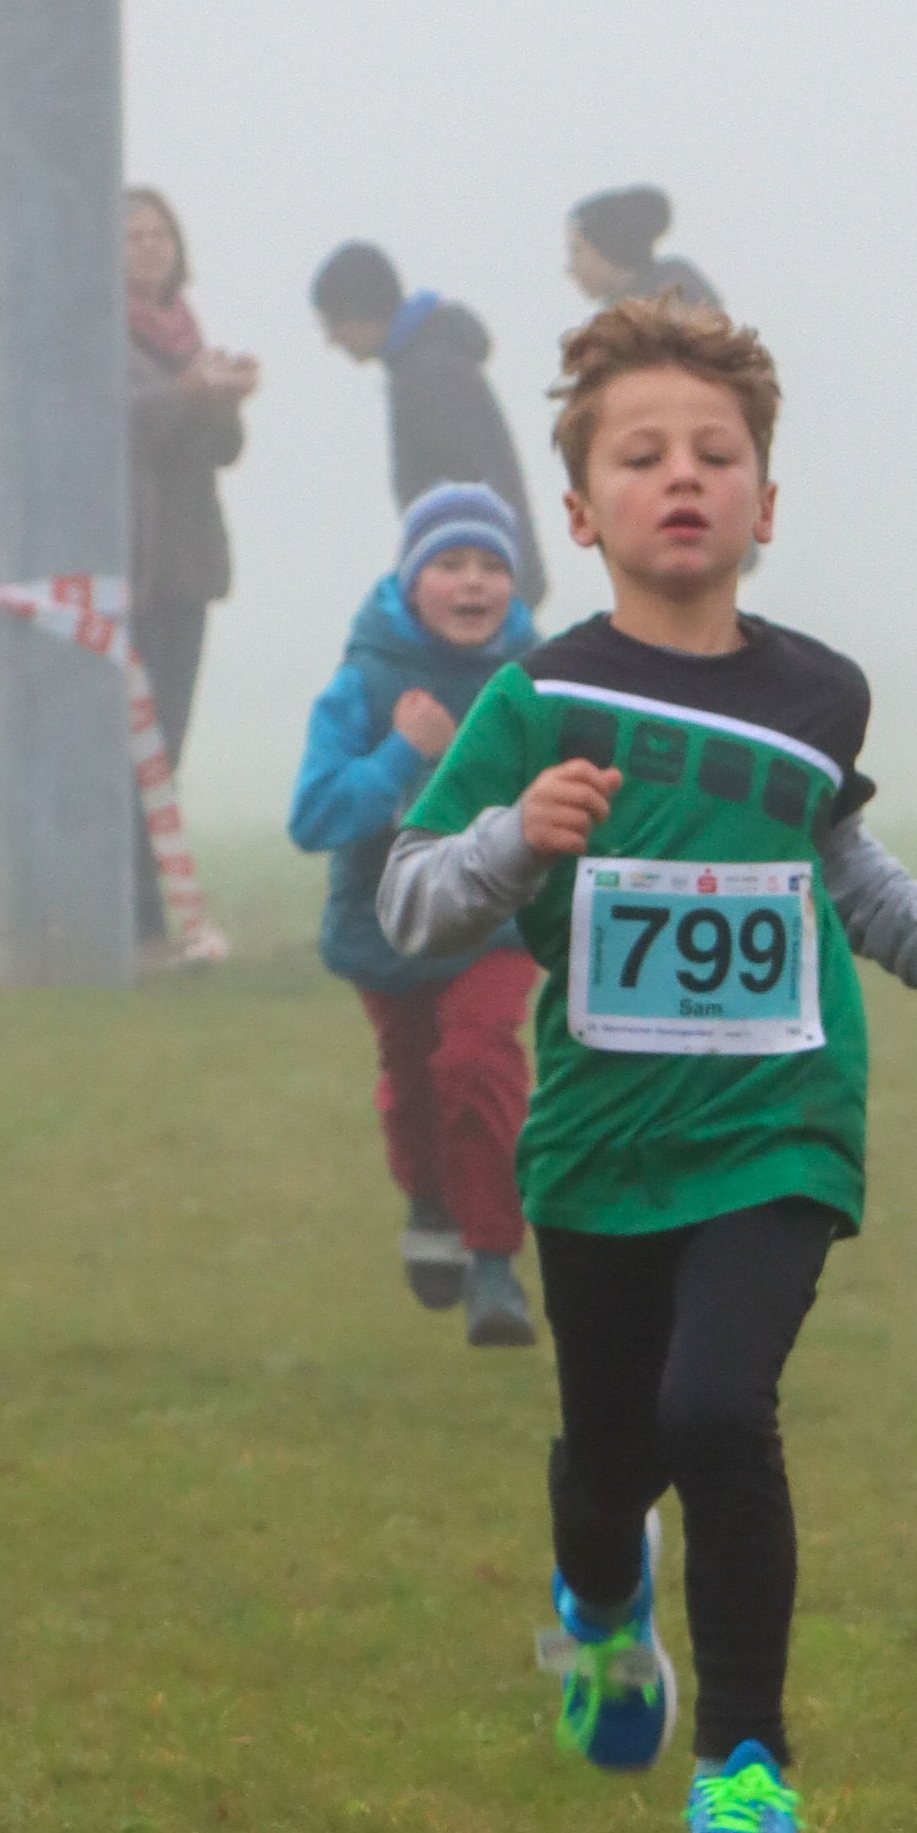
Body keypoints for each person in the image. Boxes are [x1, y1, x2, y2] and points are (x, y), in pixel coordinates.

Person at [377, 297, 917, 1833]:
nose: (683, 477)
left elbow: (842, 861)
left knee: (719, 1415)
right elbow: (411, 902)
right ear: (581, 511)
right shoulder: (537, 705)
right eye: (643, 455)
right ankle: (603, 1599)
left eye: (716, 455)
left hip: (777, 1126)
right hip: (603, 1144)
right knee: (611, 1457)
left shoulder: (816, 695)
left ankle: (745, 1777)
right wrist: (515, 837)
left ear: (765, 503)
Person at [288, 481, 545, 1348]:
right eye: (450, 563)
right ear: (410, 581)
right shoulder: (365, 682)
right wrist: (403, 752)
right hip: (389, 921)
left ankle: (494, 1264)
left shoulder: (536, 681)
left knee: (476, 1059)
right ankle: (430, 1201)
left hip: (498, 919)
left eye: (492, 566)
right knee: (413, 1082)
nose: (473, 583)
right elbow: (314, 816)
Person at [124, 190, 259, 949]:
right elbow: (111, 427)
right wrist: (183, 392)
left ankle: (147, 911)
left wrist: (223, 399)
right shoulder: (94, 332)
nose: (151, 247)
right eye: (134, 235)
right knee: (127, 750)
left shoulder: (184, 330)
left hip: (186, 566)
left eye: (161, 234)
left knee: (165, 746)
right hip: (129, 564)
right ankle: (132, 915)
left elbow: (219, 452)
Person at [309, 241, 536, 546]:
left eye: (331, 324)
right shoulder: (426, 360)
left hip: (475, 565)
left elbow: (464, 496)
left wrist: (452, 565)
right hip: (487, 563)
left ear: (357, 312)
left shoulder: (428, 376)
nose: (331, 339)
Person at [564, 186, 727, 319]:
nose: (570, 268)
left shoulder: (673, 308)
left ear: (606, 250)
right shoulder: (623, 315)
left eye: (576, 251)